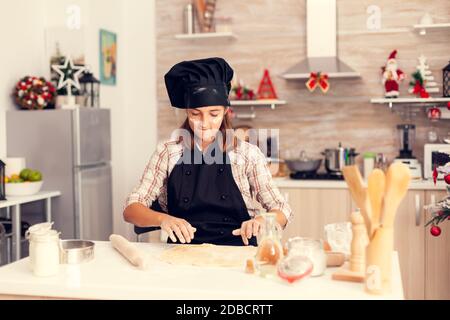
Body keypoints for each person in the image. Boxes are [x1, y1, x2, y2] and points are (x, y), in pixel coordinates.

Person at [123, 57, 292, 246]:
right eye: (195, 114)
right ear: (187, 112)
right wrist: (164, 219)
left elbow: (282, 209)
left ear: (226, 111)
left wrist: (261, 221)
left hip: (237, 253)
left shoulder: (247, 154)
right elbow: (131, 209)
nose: (205, 123)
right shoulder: (167, 152)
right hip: (181, 254)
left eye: (214, 114)